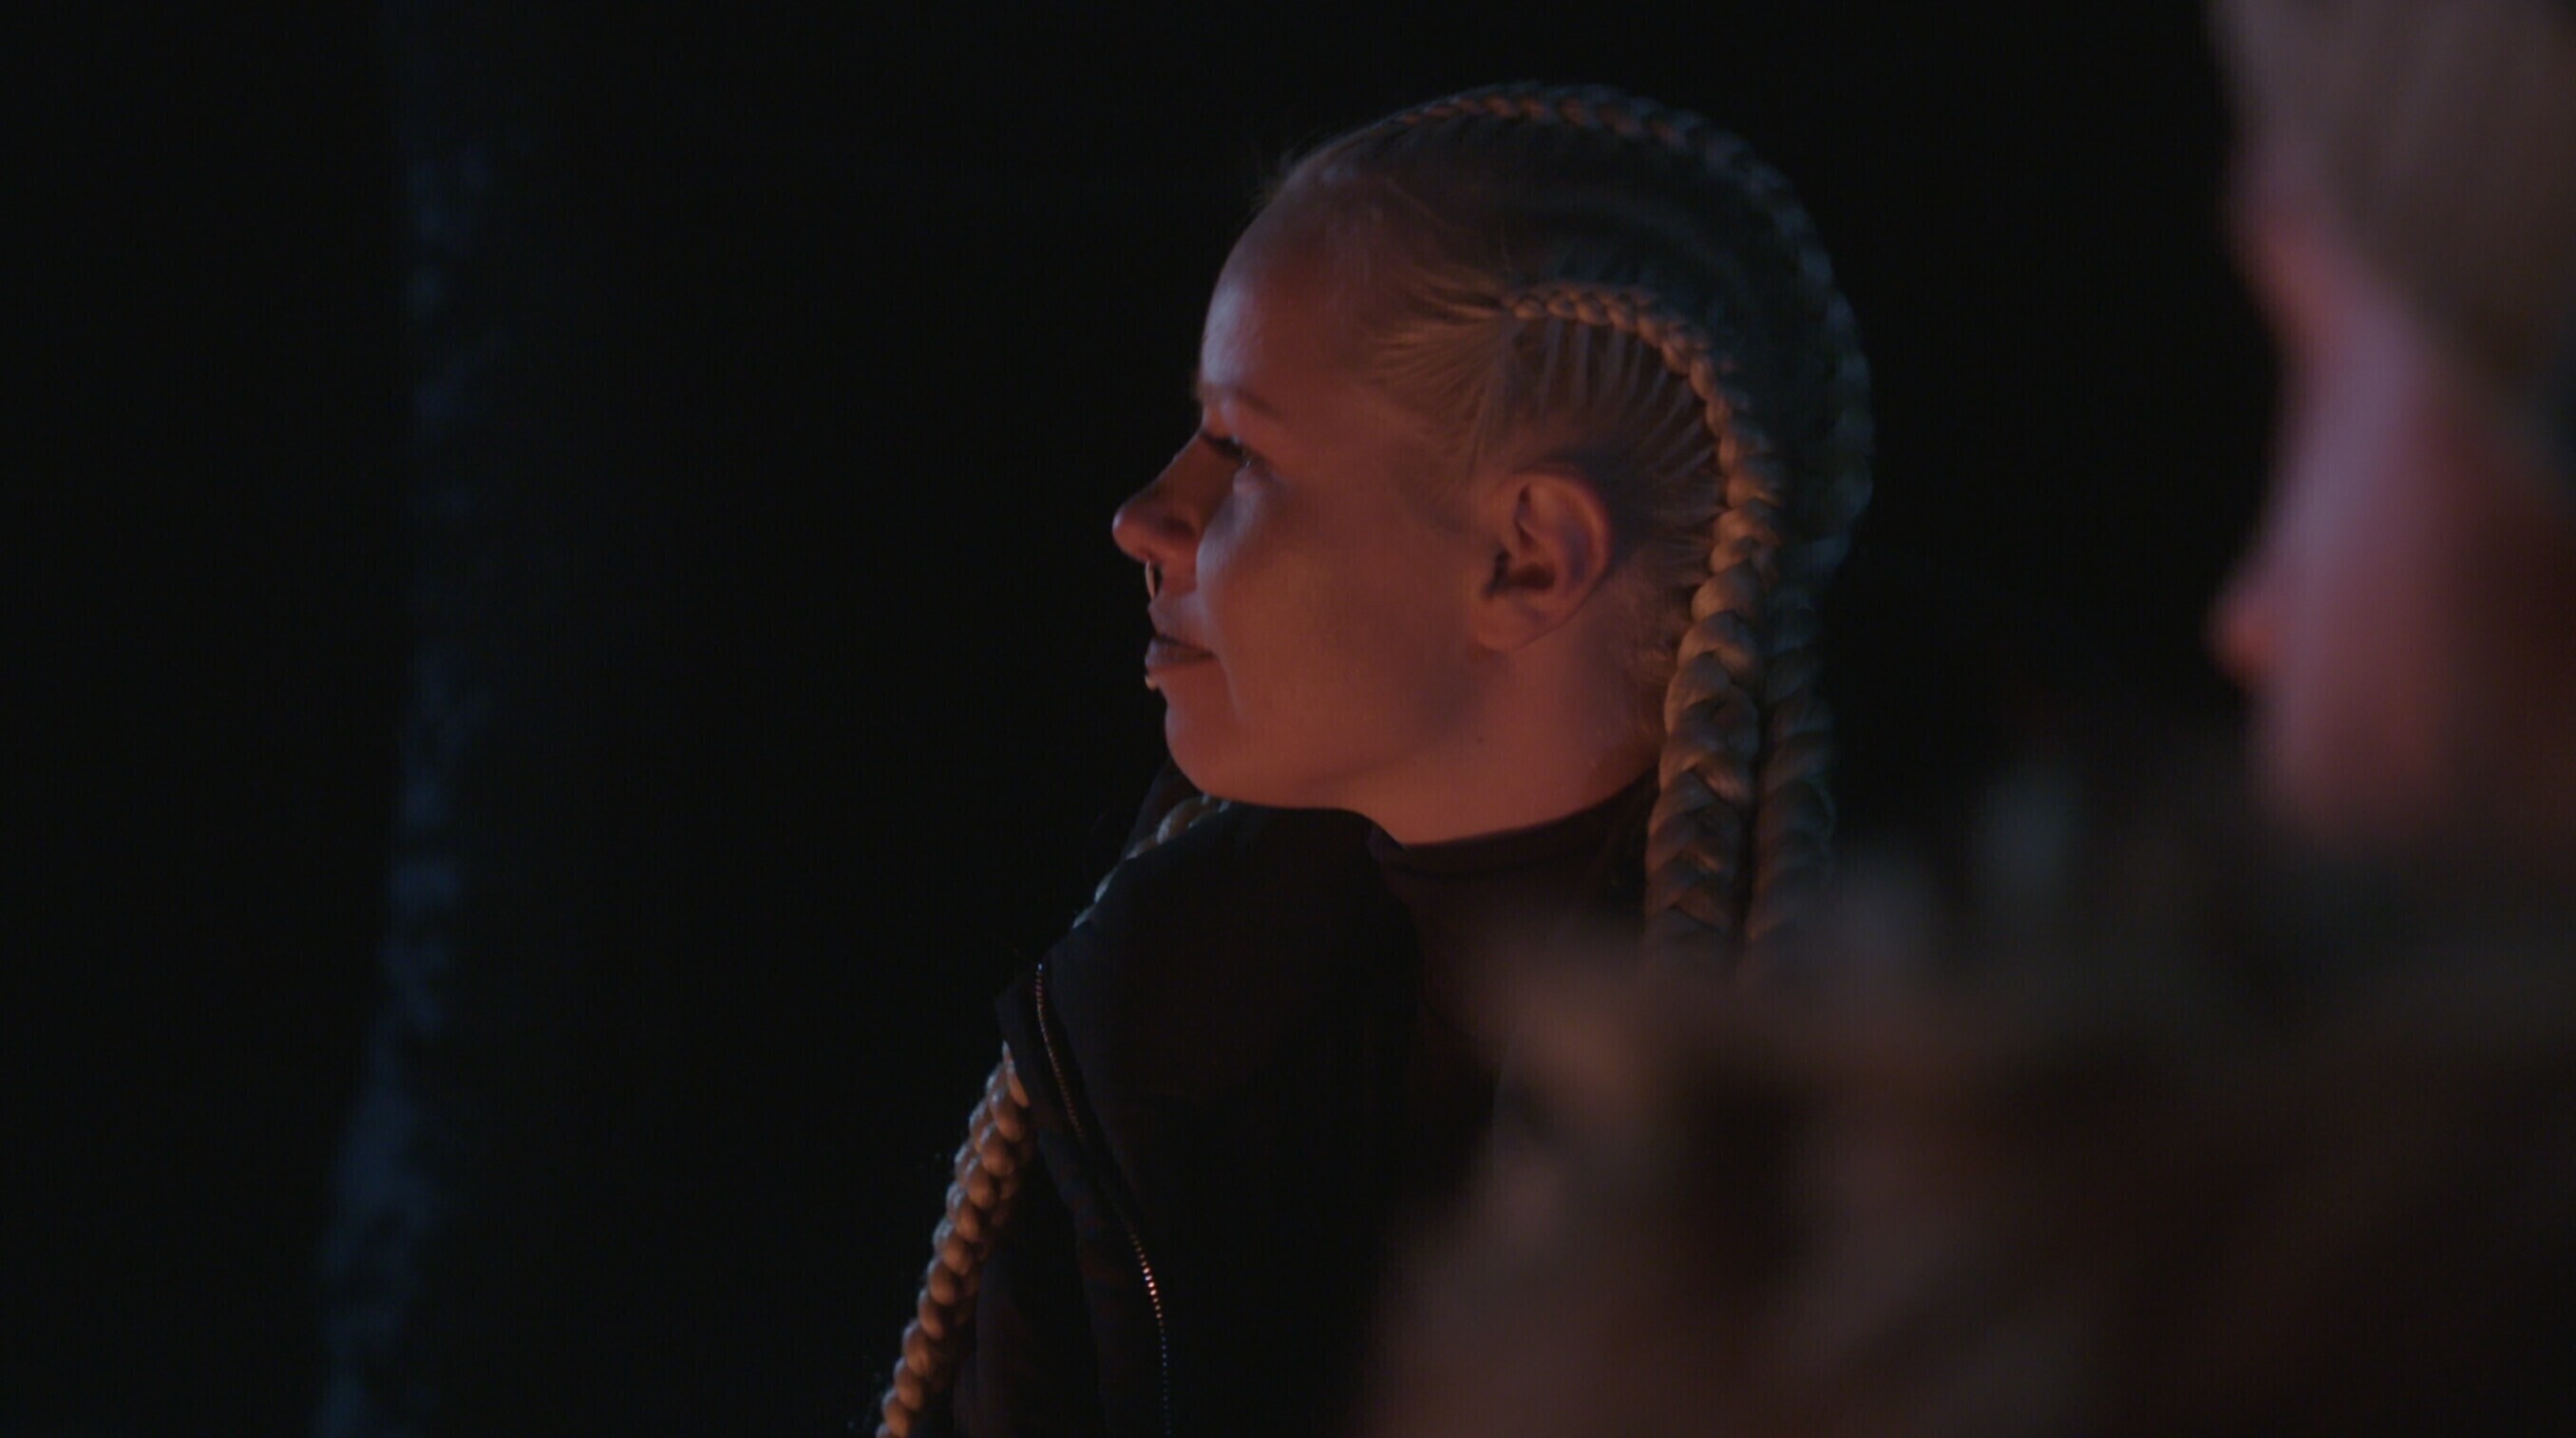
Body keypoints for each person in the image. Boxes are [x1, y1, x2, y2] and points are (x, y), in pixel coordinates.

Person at [1360, 4, 2576, 1435]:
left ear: (1535, 544)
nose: (2247, 611)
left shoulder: (2024, 1263)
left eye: (2312, 348)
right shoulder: (1179, 1023)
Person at [874, 83, 1873, 1438]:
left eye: (1241, 447)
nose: (1144, 516)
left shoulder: (1910, 1139)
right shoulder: (1149, 1024)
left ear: (1528, 553)